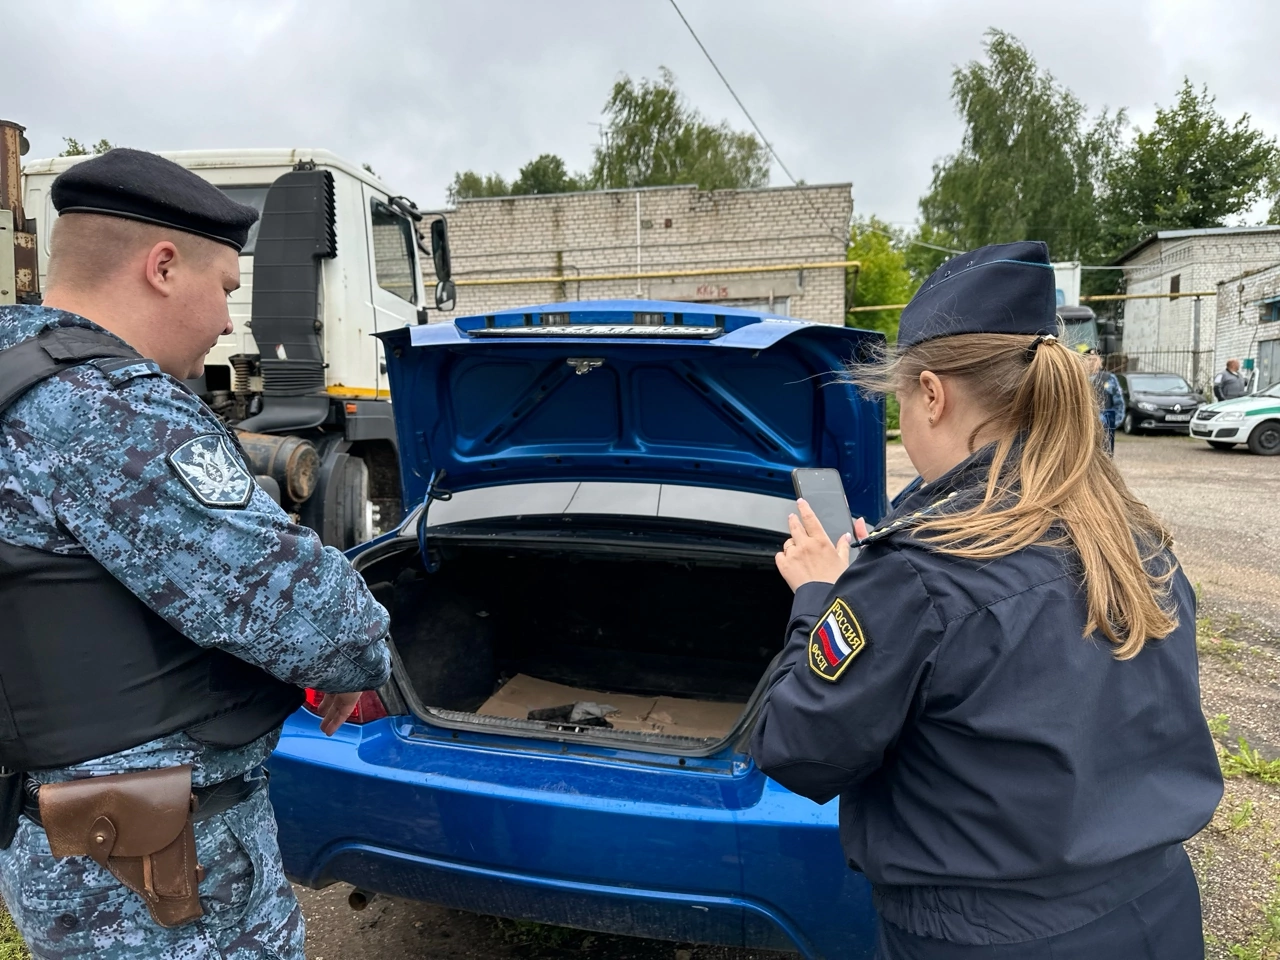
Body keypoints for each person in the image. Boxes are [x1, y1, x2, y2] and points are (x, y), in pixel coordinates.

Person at [751, 240, 1222, 960]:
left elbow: (797, 750)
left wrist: (821, 593)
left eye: (901, 401)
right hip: (1156, 916)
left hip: (984, 941)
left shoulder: (917, 574)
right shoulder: (1130, 534)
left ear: (932, 394)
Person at [0, 149, 392, 958]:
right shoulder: (111, 411)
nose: (225, 322)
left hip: (57, 849)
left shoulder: (14, 374)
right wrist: (359, 656)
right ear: (163, 267)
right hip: (160, 881)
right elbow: (322, 624)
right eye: (225, 289)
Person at [1082, 345, 1125, 452]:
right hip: (1082, 428)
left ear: (1101, 361)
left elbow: (1119, 404)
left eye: (1094, 359)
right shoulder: (1079, 379)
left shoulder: (1109, 379)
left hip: (1103, 429)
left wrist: (1112, 424)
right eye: (1089, 359)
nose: (1091, 362)